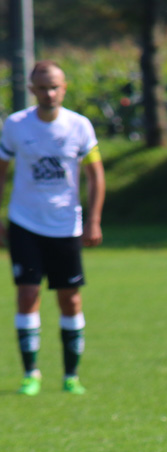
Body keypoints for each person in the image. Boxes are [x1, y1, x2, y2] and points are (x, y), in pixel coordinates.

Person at [0, 60, 105, 396]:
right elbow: (1, 171)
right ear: (32, 90)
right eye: (42, 87)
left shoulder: (79, 126)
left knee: (70, 299)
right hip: (25, 222)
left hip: (65, 224)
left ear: (65, 87)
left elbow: (95, 175)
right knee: (27, 293)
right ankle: (31, 373)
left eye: (54, 86)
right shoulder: (16, 125)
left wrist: (93, 219)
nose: (49, 92)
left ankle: (71, 376)